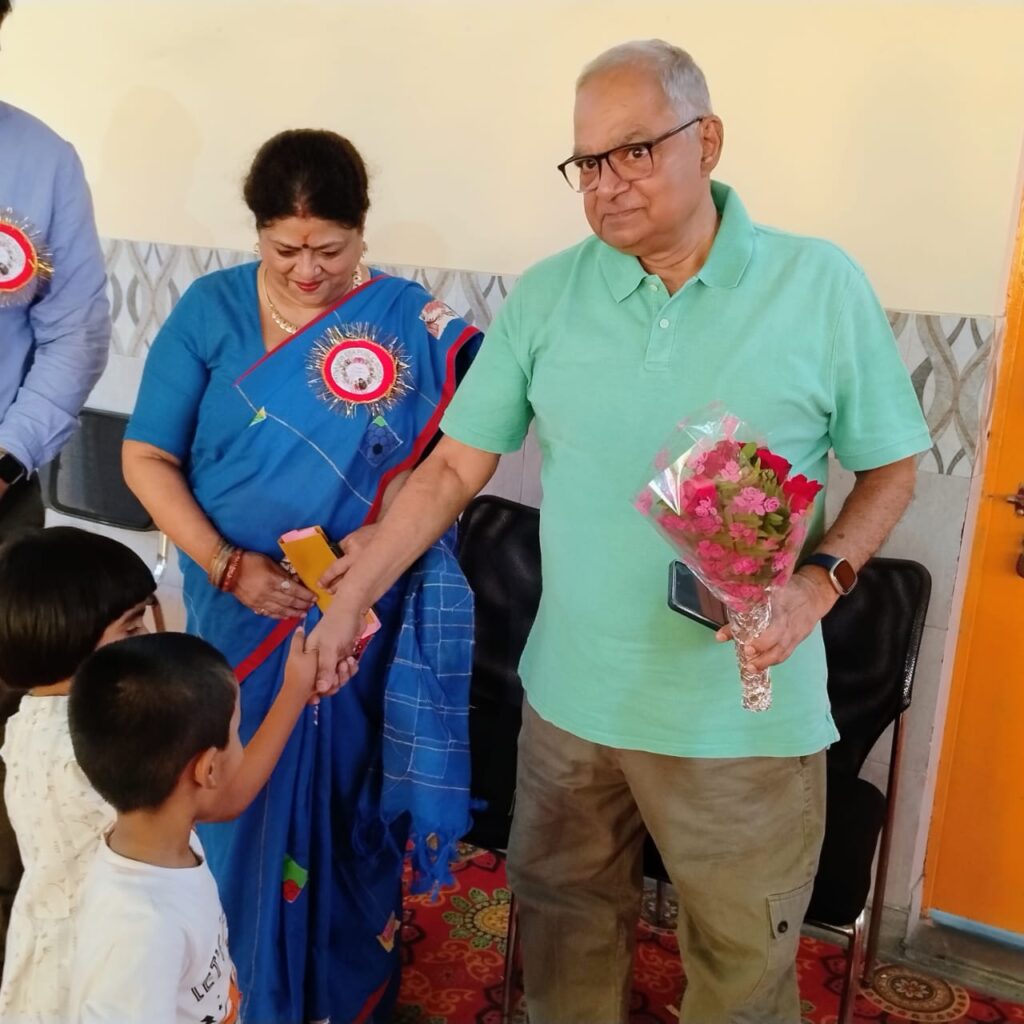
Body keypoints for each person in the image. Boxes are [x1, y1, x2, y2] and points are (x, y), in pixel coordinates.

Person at [308, 39, 932, 1024]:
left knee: (740, 982)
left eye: (635, 150)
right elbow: (450, 470)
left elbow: (891, 465)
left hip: (741, 727)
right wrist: (352, 592)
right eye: (588, 163)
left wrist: (818, 583)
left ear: (708, 141)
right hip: (571, 712)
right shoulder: (551, 294)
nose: (608, 184)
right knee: (562, 966)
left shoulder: (817, 285)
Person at [122, 129, 481, 1022]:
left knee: (344, 801)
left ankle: (335, 986)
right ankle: (235, 986)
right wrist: (226, 564)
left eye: (332, 249)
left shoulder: (408, 322)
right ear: (258, 234)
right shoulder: (210, 309)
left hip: (352, 619)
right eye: (287, 250)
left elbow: (453, 460)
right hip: (231, 610)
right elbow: (145, 459)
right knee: (230, 790)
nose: (309, 270)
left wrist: (381, 538)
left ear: (363, 234)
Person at [0, 0, 112, 964]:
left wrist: (7, 453)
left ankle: (12, 931)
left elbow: (73, 333)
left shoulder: (40, 162)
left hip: (1, 496)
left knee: (18, 734)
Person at [67, 629, 319, 1024]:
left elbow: (232, 797)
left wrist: (296, 688)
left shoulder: (163, 839)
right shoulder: (140, 932)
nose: (240, 743)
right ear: (208, 769)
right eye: (237, 733)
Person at [0, 528, 154, 1024]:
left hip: (53, 942)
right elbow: (215, 801)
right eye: (132, 628)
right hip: (99, 956)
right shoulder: (92, 743)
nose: (150, 638)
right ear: (69, 634)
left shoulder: (28, 718)